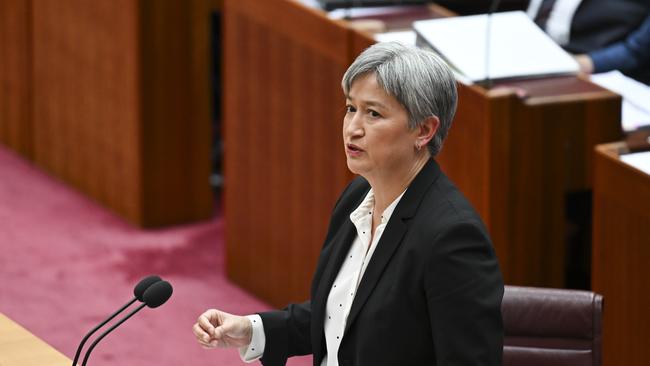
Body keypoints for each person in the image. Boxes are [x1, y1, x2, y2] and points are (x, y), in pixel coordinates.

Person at [192, 42, 504, 366]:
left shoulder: (452, 238)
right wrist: (253, 330)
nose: (353, 128)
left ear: (424, 130)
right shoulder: (357, 197)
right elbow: (344, 312)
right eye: (350, 108)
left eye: (373, 113)